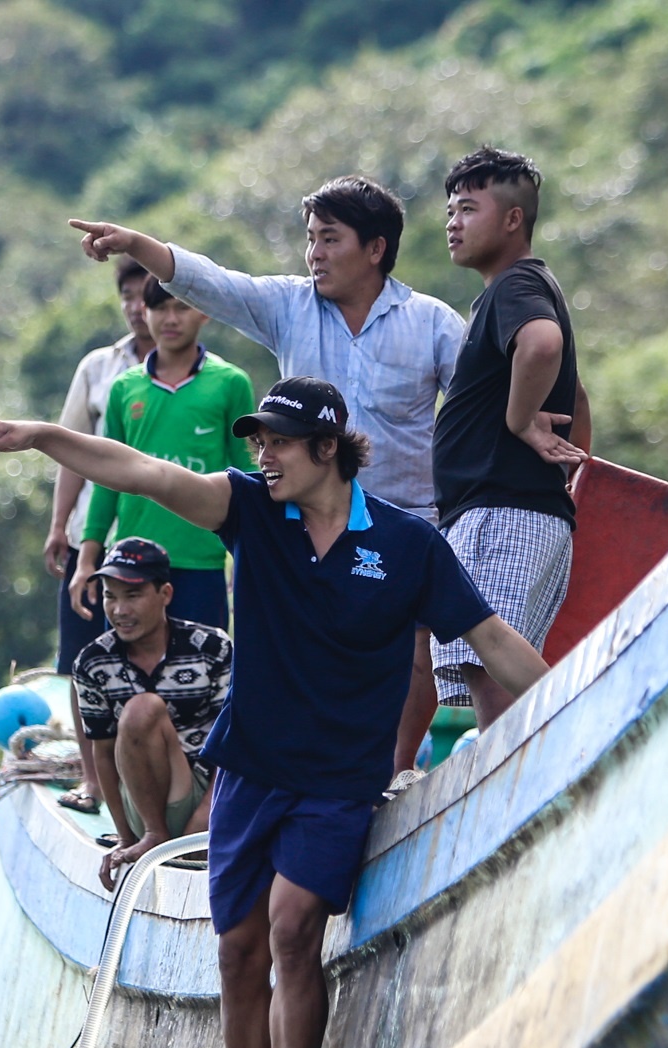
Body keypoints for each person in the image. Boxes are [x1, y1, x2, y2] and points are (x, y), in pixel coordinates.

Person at [0, 377, 551, 1048]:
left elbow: (488, 634)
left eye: (276, 441)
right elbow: (140, 473)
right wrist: (38, 437)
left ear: (326, 448)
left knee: (293, 924)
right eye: (255, 441)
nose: (260, 455)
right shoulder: (252, 513)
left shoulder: (410, 547)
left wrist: (572, 696)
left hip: (339, 780)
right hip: (251, 769)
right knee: (237, 950)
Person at [69, 176, 463, 774]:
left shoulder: (433, 323)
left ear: (376, 248)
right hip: (300, 521)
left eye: (330, 240)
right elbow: (211, 283)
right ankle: (283, 773)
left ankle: (397, 771)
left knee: (413, 654)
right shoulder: (288, 304)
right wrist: (137, 244)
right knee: (292, 651)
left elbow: (474, 411)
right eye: (311, 240)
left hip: (405, 518)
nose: (315, 255)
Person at [433, 146, 593, 730]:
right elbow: (575, 397)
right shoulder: (510, 290)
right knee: (490, 658)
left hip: (503, 509)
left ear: (512, 219)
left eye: (468, 209)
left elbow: (545, 346)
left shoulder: (516, 285)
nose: (453, 222)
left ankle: (574, 733)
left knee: (489, 654)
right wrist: (579, 470)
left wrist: (520, 421)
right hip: (515, 509)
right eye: (450, 210)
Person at [69, 275, 257, 634]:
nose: (171, 319)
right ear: (145, 312)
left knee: (203, 679)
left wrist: (251, 558)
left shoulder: (231, 383)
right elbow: (107, 481)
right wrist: (87, 559)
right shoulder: (125, 388)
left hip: (201, 559)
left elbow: (246, 475)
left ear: (203, 313)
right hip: (131, 563)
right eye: (160, 308)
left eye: (182, 307)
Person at [48, 256, 156, 815]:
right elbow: (72, 452)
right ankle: (93, 781)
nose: (140, 308)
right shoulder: (99, 368)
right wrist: (59, 527)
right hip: (95, 539)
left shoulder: (206, 376)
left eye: (149, 295)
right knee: (84, 657)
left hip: (158, 541)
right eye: (130, 297)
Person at [71, 538, 232, 891]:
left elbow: (235, 736)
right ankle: (155, 835)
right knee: (141, 709)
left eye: (133, 595)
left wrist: (207, 815)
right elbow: (102, 750)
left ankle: (169, 836)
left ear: (166, 594)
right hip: (142, 806)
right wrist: (128, 838)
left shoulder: (213, 647)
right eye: (111, 596)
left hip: (209, 794)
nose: (119, 610)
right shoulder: (93, 662)